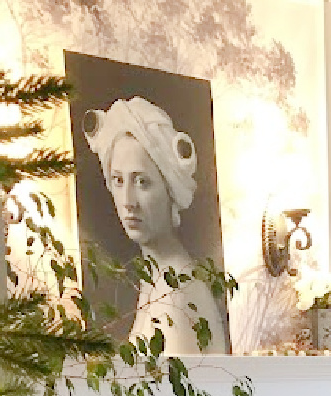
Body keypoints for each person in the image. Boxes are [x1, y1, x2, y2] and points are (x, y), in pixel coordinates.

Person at [83, 96, 228, 353]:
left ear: (170, 188)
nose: (128, 201)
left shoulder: (179, 289)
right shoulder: (156, 279)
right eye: (118, 180)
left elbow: (179, 392)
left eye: (142, 182)